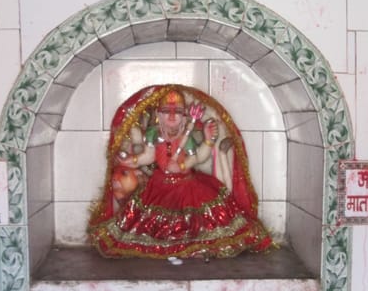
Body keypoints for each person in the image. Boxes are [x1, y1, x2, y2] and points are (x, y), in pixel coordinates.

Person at [88, 84, 273, 259]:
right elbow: (149, 155)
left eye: (177, 112)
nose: (171, 116)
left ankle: (195, 245)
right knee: (144, 217)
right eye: (166, 111)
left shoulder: (188, 138)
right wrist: (132, 161)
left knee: (199, 217)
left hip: (187, 185)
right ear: (158, 115)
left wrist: (206, 142)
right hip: (159, 186)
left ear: (185, 117)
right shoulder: (154, 134)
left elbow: (197, 158)